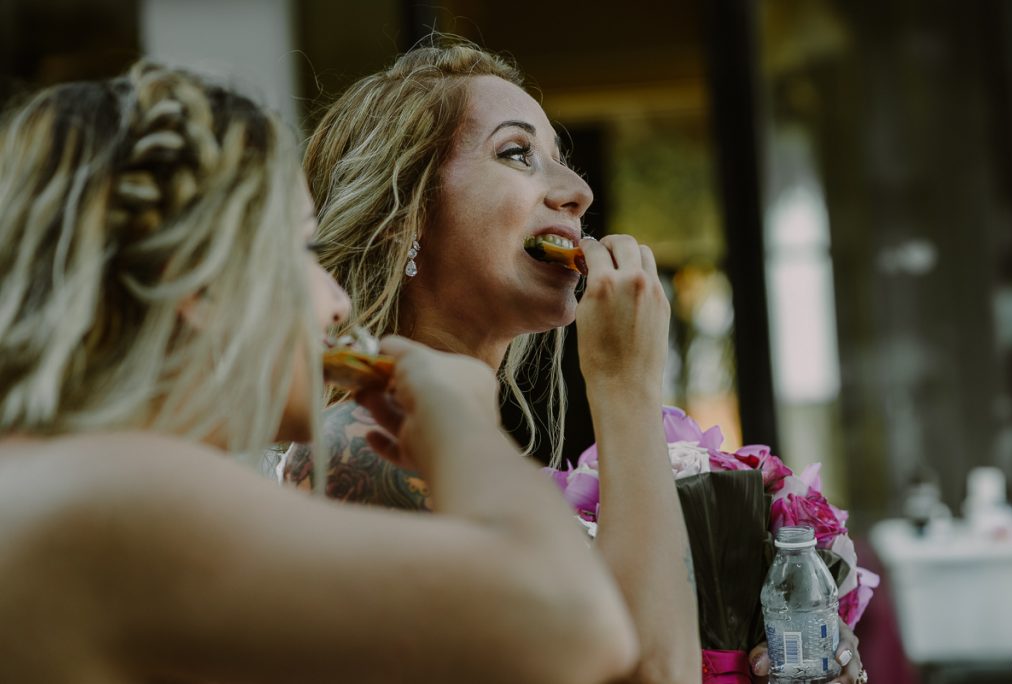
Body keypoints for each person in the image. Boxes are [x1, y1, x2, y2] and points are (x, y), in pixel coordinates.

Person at [0, 61, 640, 683]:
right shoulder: (125, 495)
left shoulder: (62, 479)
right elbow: (575, 625)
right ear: (195, 278)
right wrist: (458, 415)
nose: (334, 297)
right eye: (299, 249)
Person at [290, 37, 866, 684]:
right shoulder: (364, 448)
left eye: (561, 162)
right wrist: (626, 386)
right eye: (517, 154)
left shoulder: (463, 450)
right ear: (407, 217)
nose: (577, 192)